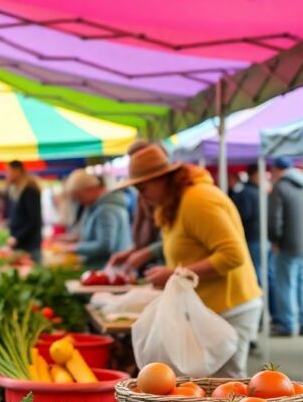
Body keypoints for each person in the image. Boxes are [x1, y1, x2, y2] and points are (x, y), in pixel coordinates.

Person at [112, 145, 262, 377]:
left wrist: (175, 273)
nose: (142, 196)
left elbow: (233, 255)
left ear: (163, 178)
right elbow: (185, 241)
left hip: (230, 308)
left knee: (226, 390)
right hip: (207, 309)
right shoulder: (175, 202)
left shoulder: (198, 200)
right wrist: (145, 253)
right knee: (205, 389)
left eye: (143, 187)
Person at [268, 156, 303, 336]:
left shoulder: (279, 187)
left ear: (277, 170)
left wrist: (275, 240)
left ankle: (287, 324)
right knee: (302, 283)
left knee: (285, 284)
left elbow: (274, 220)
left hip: (287, 243)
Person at [57, 169, 131, 268]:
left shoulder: (106, 209)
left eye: (79, 197)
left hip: (107, 270)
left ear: (90, 189)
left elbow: (105, 246)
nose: (80, 202)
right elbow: (97, 235)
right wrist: (75, 239)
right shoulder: (96, 206)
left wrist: (73, 248)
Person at [109, 140, 164, 271]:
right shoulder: (143, 195)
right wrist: (131, 252)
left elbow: (172, 239)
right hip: (156, 269)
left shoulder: (168, 197)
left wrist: (147, 253)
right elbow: (148, 241)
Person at [4, 160, 43, 260]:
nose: (6, 175)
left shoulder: (29, 190)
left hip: (29, 246)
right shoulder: (19, 190)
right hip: (23, 245)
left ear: (17, 171)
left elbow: (34, 220)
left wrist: (17, 237)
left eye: (8, 171)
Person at [230, 163, 262, 280]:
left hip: (254, 237)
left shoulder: (247, 191)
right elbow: (244, 214)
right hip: (254, 236)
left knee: (257, 270)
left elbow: (243, 214)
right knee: (259, 270)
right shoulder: (251, 191)